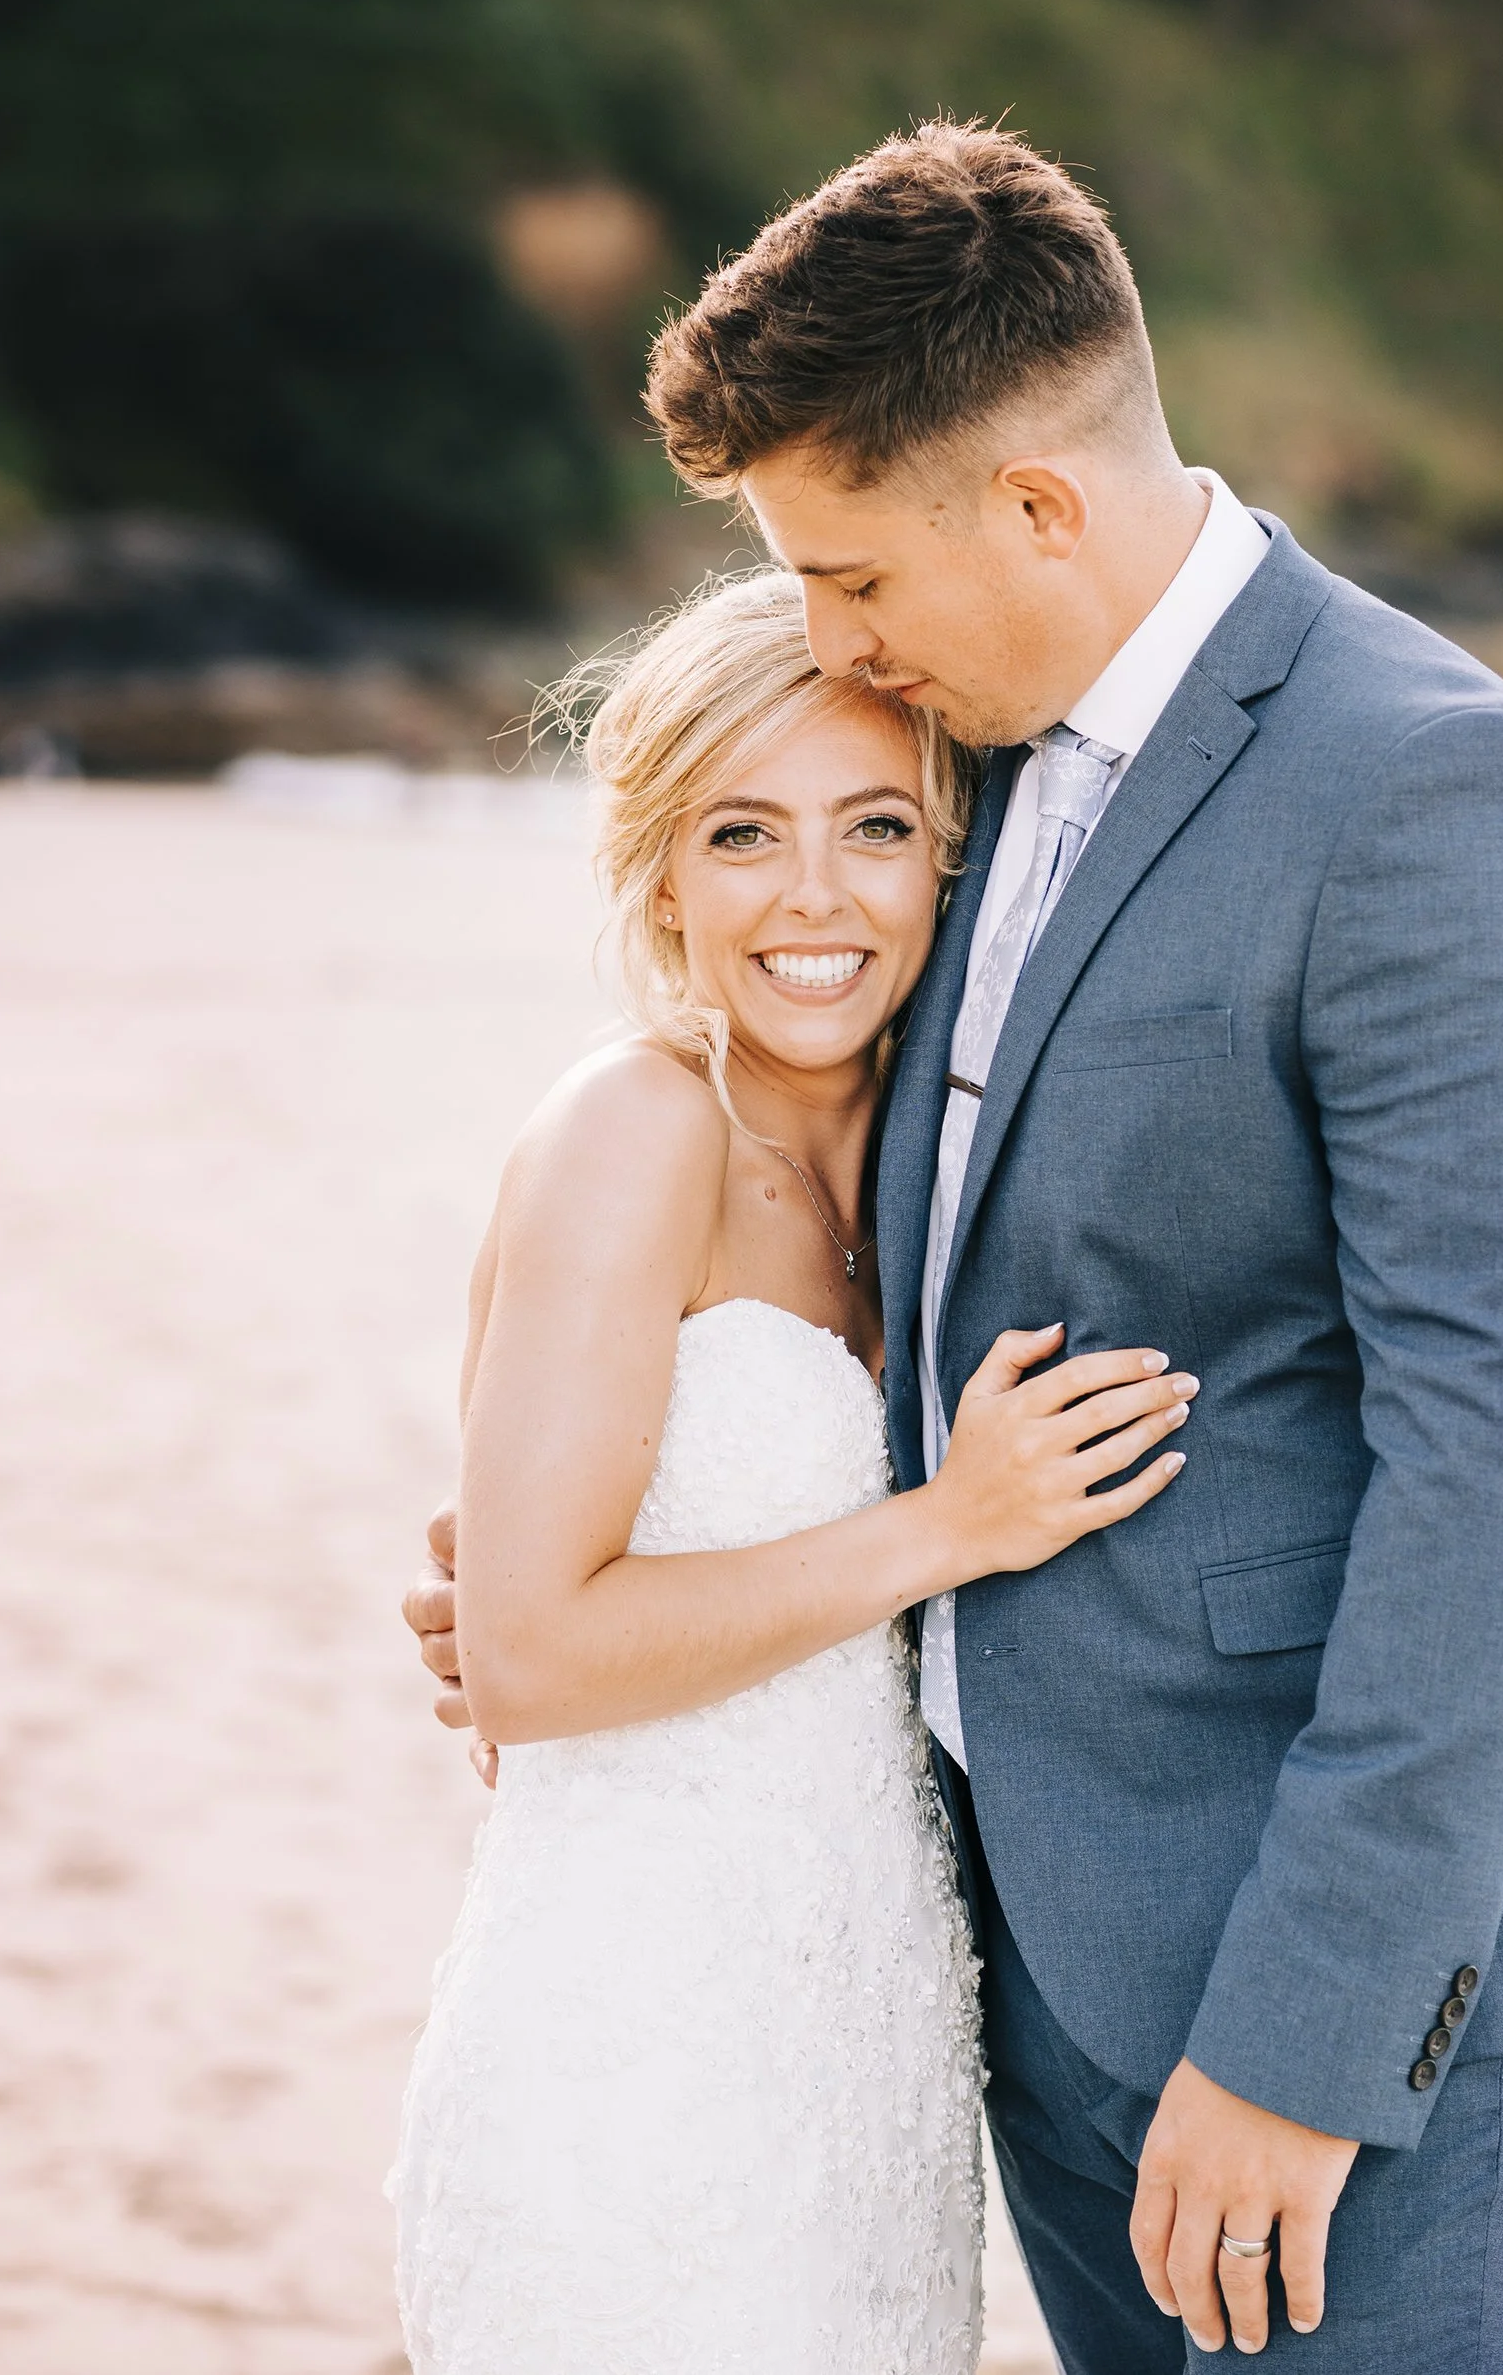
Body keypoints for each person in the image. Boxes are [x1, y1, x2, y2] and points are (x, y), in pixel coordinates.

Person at [409, 118, 1503, 2371]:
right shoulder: (964, 781)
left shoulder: (1428, 798)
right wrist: (593, 1548)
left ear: (1038, 506)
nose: (826, 640)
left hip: (1321, 2005)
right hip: (1002, 1965)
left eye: (849, 575)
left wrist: (1309, 2039)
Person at [390, 570, 1198, 2374]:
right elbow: (527, 1653)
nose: (817, 895)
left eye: (879, 827)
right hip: (637, 2051)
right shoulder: (635, 1132)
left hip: (873, 2031)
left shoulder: (938, 1155)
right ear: (662, 873)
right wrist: (947, 1524)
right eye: (746, 831)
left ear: (949, 864)